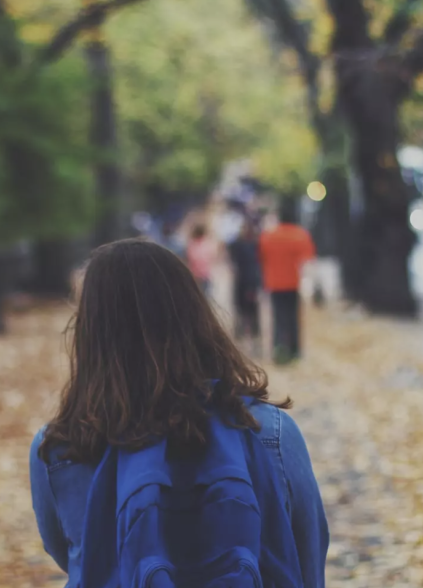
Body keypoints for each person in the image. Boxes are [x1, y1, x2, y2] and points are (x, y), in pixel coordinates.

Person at [30, 240, 328, 588]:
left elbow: (72, 554)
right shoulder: (270, 431)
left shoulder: (62, 446)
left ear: (90, 333)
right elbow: (307, 550)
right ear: (196, 316)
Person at [258, 201, 315, 364]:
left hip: (274, 282)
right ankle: (295, 350)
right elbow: (307, 261)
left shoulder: (268, 235)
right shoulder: (300, 235)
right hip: (293, 282)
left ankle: (279, 348)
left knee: (278, 317)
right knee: (293, 318)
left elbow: (262, 257)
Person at [227, 219, 263, 356]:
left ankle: (250, 343)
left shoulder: (247, 245)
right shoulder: (251, 245)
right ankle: (247, 343)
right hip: (245, 283)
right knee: (246, 314)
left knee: (249, 314)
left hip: (247, 283)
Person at [186, 222, 218, 296]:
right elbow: (213, 257)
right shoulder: (207, 245)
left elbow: (189, 259)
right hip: (204, 275)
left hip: (194, 275)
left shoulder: (191, 245)